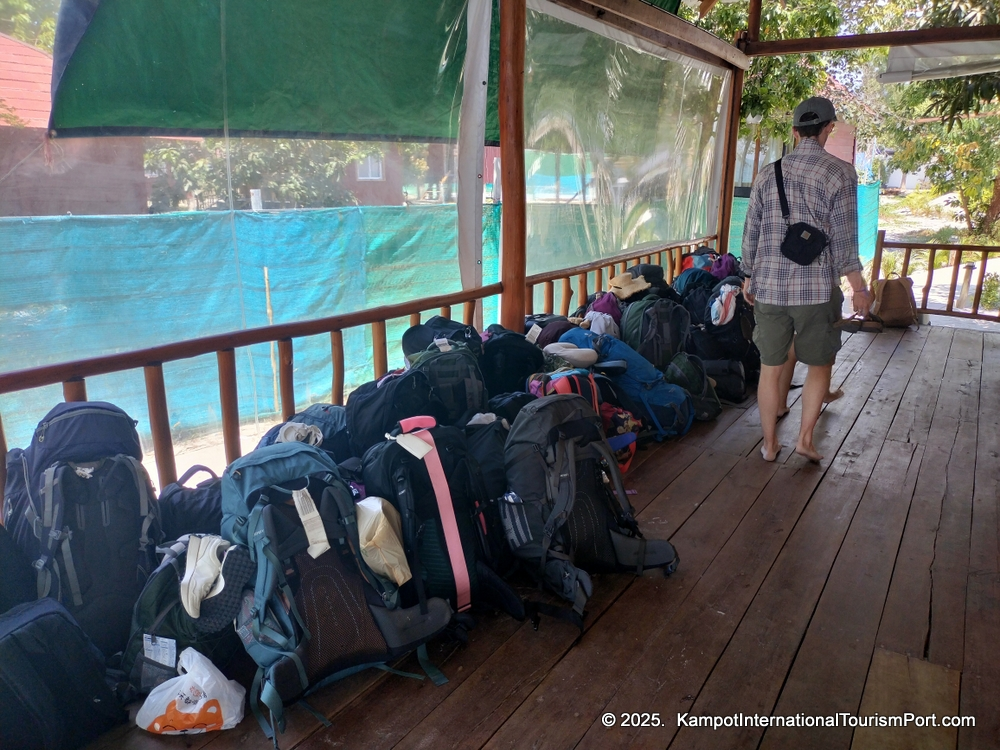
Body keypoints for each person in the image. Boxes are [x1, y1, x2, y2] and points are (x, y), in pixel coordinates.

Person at [741, 96, 870, 462]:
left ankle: (768, 444)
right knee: (819, 365)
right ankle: (805, 440)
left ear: (795, 132)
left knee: (770, 367)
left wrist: (747, 276)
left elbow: (751, 231)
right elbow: (845, 240)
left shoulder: (768, 173)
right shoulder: (841, 174)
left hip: (768, 288)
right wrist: (858, 288)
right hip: (815, 291)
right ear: (828, 128)